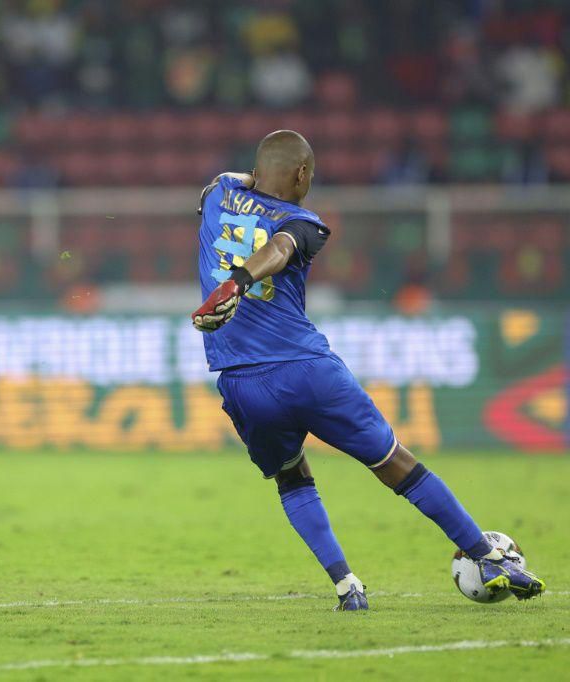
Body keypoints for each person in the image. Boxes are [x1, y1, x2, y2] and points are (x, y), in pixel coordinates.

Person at [191, 130, 546, 610]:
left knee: (292, 478)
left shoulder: (217, 195)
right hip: (305, 370)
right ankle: (486, 556)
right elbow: (280, 247)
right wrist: (241, 280)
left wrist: (229, 278)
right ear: (300, 174)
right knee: (394, 462)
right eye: (309, 174)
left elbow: (231, 180)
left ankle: (346, 586)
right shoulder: (304, 220)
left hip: (240, 381)